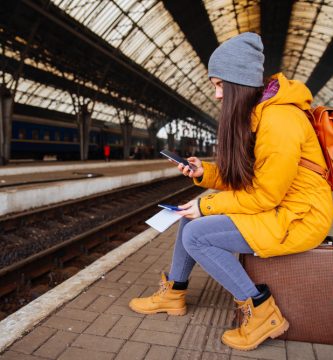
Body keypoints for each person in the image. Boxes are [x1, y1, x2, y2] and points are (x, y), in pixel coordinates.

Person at [128, 32, 333, 351]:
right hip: (281, 208)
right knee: (189, 218)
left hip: (299, 218)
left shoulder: (279, 120)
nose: (218, 95)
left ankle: (261, 312)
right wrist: (204, 173)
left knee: (197, 233)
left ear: (240, 83)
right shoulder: (262, 114)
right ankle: (173, 295)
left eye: (220, 85)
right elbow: (250, 179)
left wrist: (207, 206)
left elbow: (264, 195)